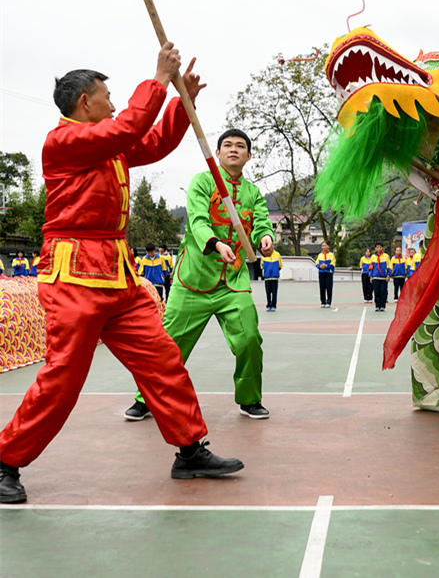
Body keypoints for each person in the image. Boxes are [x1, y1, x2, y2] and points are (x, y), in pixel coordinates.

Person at [0, 46, 244, 506]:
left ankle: (189, 450)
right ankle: (4, 460)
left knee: (162, 361)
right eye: (107, 96)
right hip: (73, 276)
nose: (113, 103)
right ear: (84, 103)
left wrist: (178, 104)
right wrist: (158, 80)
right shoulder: (64, 142)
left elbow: (151, 143)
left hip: (117, 275)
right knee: (63, 379)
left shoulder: (106, 144)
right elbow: (131, 125)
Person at [125, 128, 274, 422]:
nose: (234, 149)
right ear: (216, 153)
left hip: (233, 283)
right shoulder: (203, 182)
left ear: (249, 155)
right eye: (227, 145)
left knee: (249, 340)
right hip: (192, 280)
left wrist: (265, 238)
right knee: (169, 345)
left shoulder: (253, 193)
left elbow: (260, 222)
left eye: (240, 146)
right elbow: (197, 221)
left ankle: (249, 398)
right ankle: (146, 399)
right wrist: (216, 243)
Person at [369, 243, 389, 312]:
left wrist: (388, 275)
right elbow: (371, 267)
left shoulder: (386, 256)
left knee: (383, 292)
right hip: (375, 277)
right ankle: (377, 305)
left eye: (380, 247)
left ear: (382, 248)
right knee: (376, 292)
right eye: (377, 247)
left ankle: (382, 306)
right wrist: (371, 276)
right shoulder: (373, 257)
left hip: (383, 278)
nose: (379, 249)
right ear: (375, 248)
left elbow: (388, 266)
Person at [316, 241, 335, 308]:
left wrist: (326, 266)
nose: (324, 247)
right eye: (323, 246)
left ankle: (328, 302)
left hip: (328, 273)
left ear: (328, 246)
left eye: (325, 245)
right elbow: (316, 264)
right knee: (322, 287)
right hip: (321, 273)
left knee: (329, 288)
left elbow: (333, 264)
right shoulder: (320, 255)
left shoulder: (331, 255)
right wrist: (320, 266)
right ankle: (323, 302)